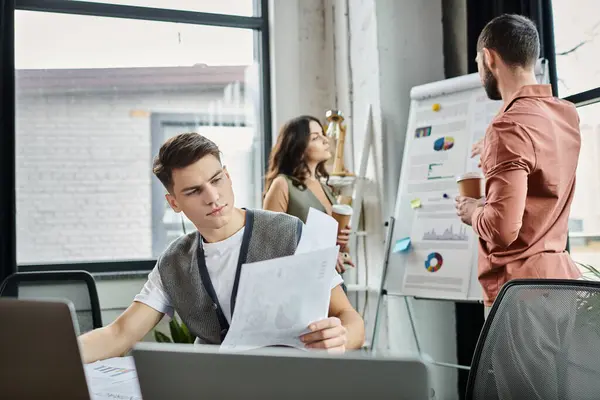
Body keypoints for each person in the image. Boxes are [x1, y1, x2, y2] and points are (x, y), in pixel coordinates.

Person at [78, 132, 365, 363]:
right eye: (193, 191)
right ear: (175, 203)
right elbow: (119, 334)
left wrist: (342, 337)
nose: (213, 197)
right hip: (215, 388)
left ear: (227, 176)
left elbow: (349, 318)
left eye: (216, 180)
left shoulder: (289, 232)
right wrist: (49, 358)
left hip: (291, 384)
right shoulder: (174, 262)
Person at [455, 14, 582, 317]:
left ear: (488, 58)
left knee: (510, 369)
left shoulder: (507, 127)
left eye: (477, 62)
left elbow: (501, 230)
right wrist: (492, 150)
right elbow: (542, 171)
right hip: (562, 285)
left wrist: (472, 211)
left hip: (519, 296)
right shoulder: (566, 114)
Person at [263, 115, 354, 274]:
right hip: (300, 281)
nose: (326, 141)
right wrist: (322, 255)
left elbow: (329, 244)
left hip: (328, 279)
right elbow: (271, 244)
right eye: (316, 137)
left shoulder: (325, 188)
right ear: (298, 146)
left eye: (323, 135)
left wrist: (342, 245)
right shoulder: (283, 184)